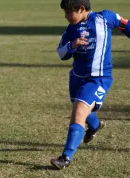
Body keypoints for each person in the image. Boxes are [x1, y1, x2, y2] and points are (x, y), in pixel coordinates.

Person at [50, 0, 130, 169]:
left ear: (81, 8)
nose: (66, 16)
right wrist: (72, 45)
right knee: (81, 111)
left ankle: (65, 157)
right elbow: (61, 53)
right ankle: (94, 126)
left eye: (68, 12)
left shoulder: (105, 17)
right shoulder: (71, 29)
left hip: (98, 79)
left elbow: (126, 25)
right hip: (76, 78)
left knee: (78, 113)